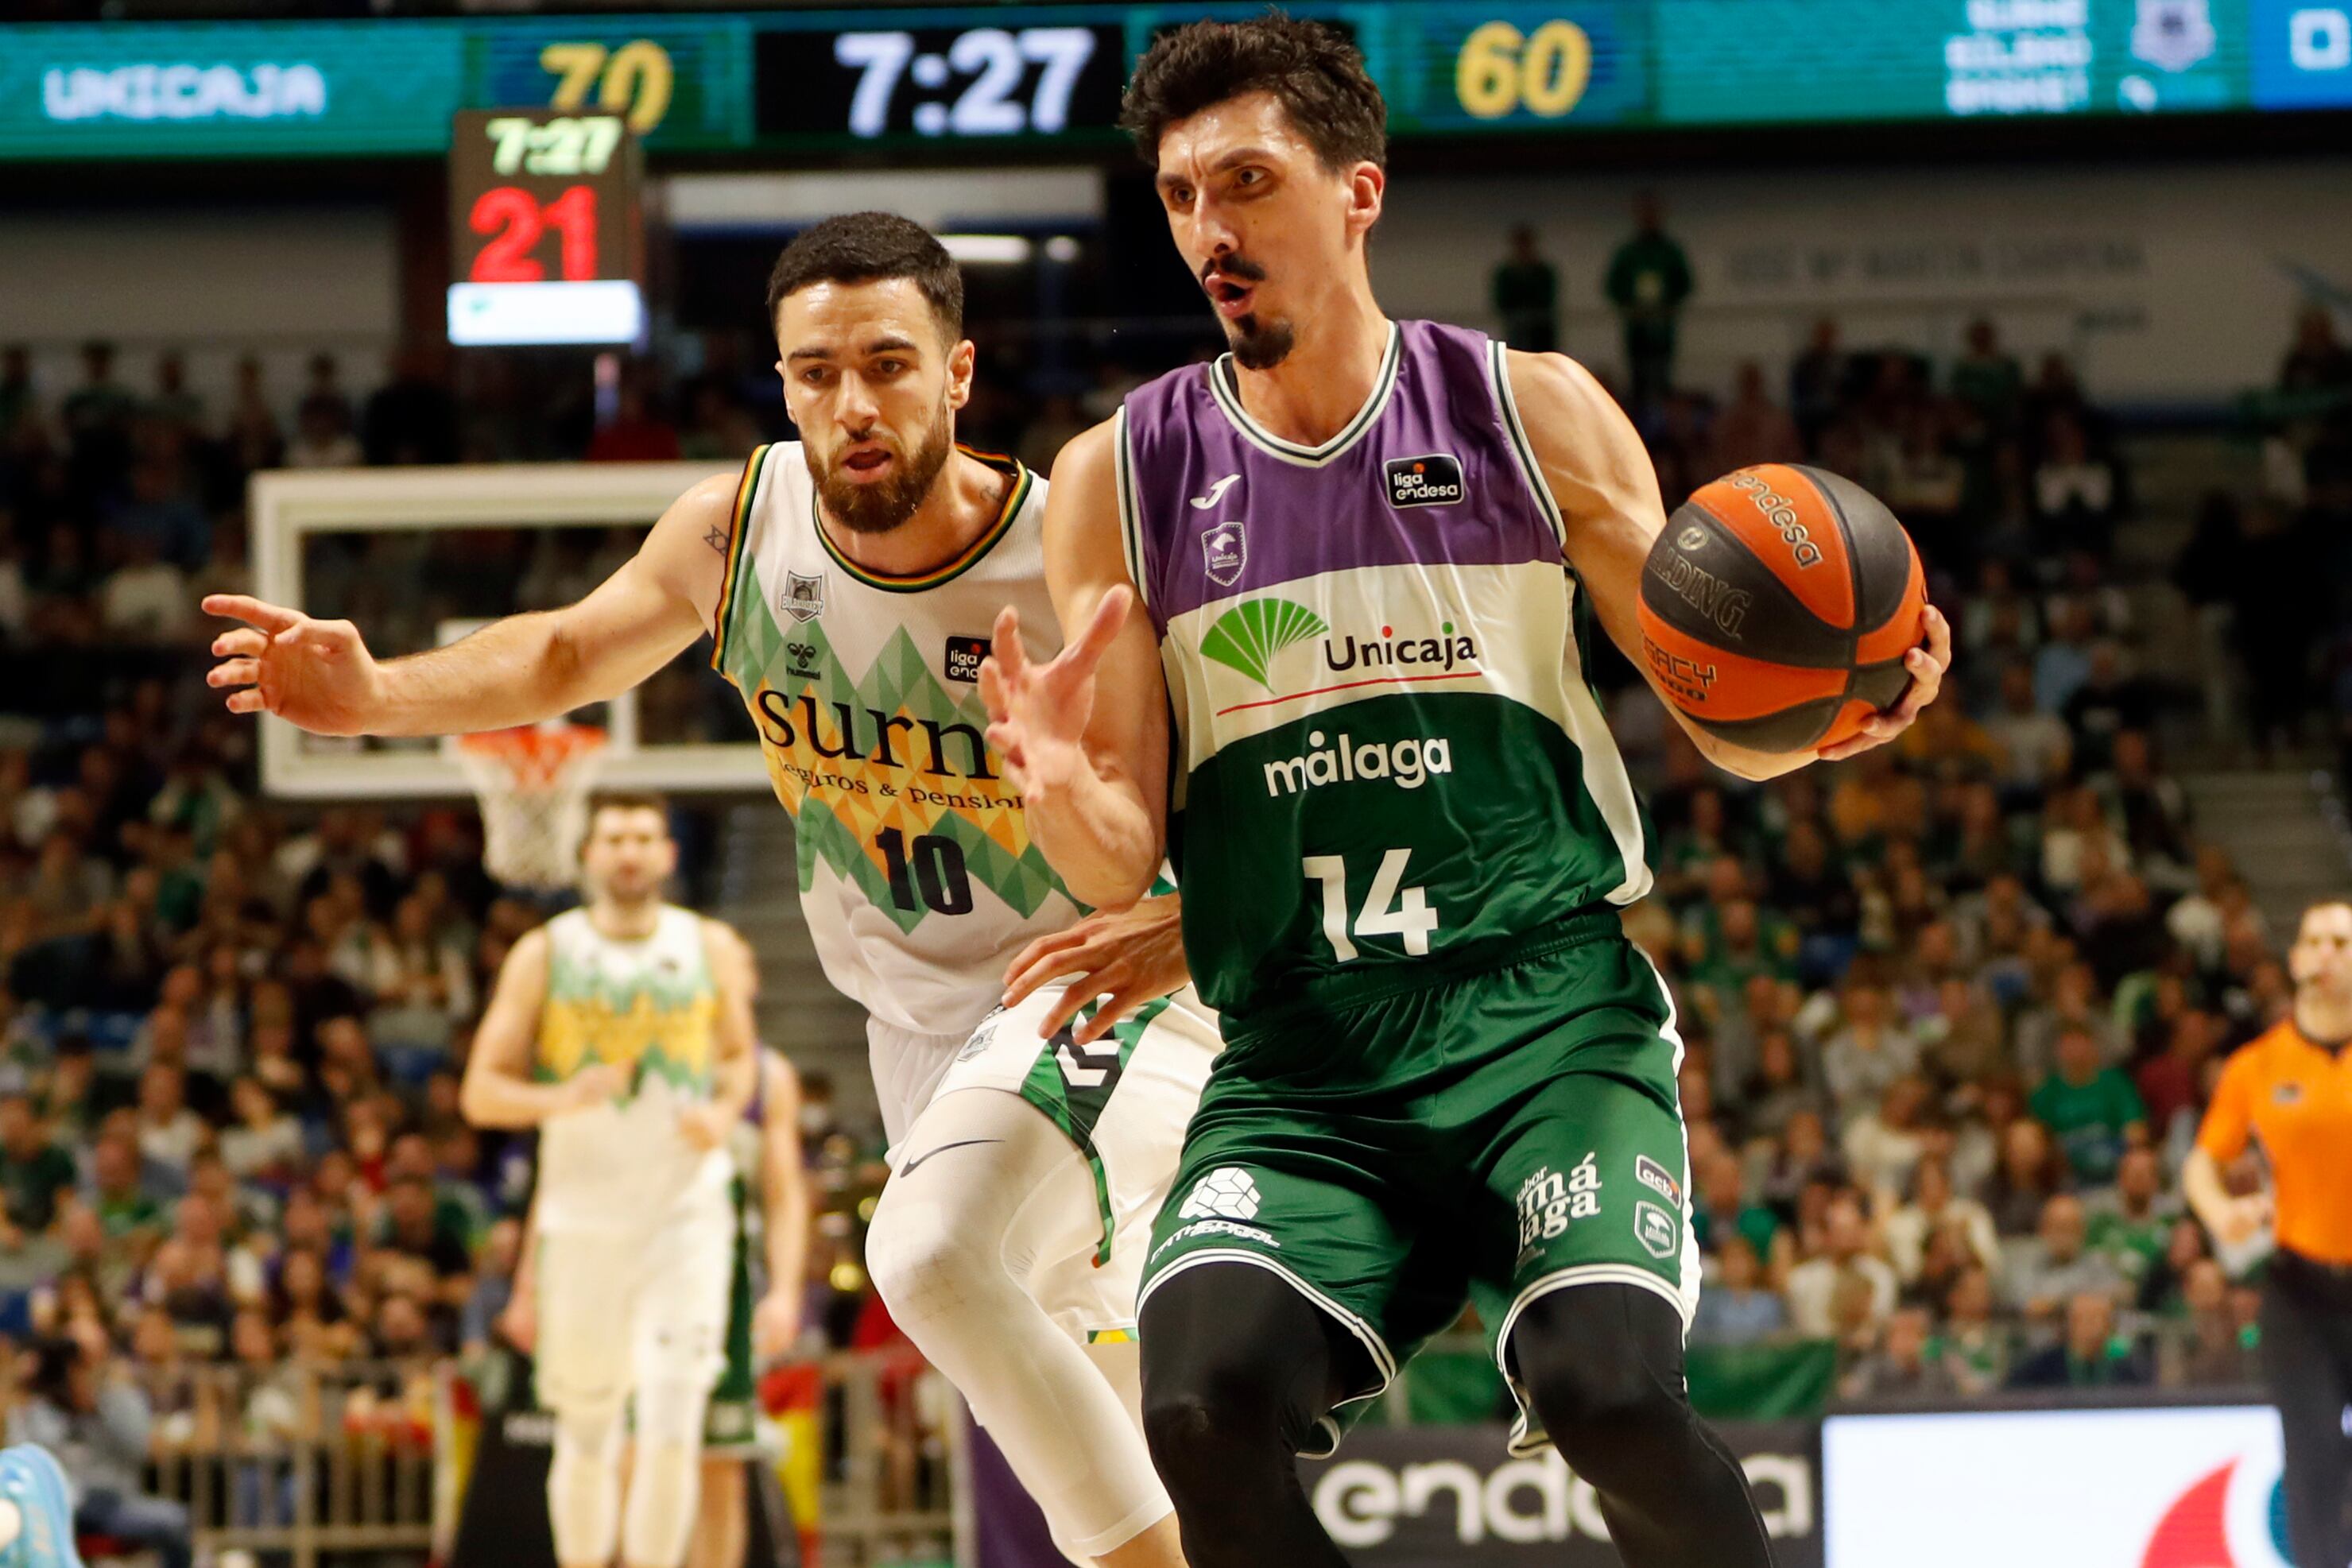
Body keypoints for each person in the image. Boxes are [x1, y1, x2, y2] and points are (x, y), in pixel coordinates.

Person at [982, 17, 1949, 1567]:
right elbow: (1115, 861)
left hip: (1541, 1022)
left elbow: (1722, 716)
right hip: (1305, 1065)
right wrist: (1046, 776)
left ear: (1357, 191)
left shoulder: (1530, 408)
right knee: (1200, 1404)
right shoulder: (1123, 472)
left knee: (1607, 1388)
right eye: (1178, 197)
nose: (1212, 231)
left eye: (1247, 180)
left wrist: (1847, 713)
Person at [203, 212, 1217, 1568]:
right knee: (1092, 1368)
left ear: (958, 373)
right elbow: (566, 651)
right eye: (814, 373)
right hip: (916, 1029)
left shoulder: (1064, 554)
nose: (851, 404)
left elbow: (1166, 815)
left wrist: (1107, 833)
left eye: (887, 364)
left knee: (924, 1261)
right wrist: (380, 692)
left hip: (1097, 981)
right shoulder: (742, 527)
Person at [459, 796, 758, 1568]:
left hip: (686, 1213)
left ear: (668, 853)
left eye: (644, 837)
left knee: (672, 1420)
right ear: (586, 853)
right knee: (586, 1428)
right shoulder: (546, 952)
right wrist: (560, 1095)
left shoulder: (711, 944)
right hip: (582, 1216)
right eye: (614, 837)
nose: (629, 851)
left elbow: (737, 1058)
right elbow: (481, 1090)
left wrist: (725, 1109)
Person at [2184, 898, 2352, 1568]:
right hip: (2299, 1288)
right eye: (2312, 941)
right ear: (2294, 960)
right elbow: (2202, 1160)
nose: (2325, 954)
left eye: (2340, 941)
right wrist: (2218, 1210)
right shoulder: (2255, 1065)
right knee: (2310, 1456)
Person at [1602, 190, 1691, 419]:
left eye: (1653, 212)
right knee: (1638, 380)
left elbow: (1685, 283)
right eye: (1644, 212)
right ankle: (1638, 425)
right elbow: (1612, 285)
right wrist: (1629, 306)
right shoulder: (1628, 252)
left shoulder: (1670, 250)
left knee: (1663, 378)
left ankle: (1665, 428)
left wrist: (1669, 304)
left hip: (1662, 326)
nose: (1649, 217)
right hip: (1637, 326)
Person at [1490, 225, 1557, 354]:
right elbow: (1501, 301)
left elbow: (1548, 299)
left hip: (1541, 327)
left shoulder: (1543, 271)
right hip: (1515, 325)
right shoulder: (1506, 273)